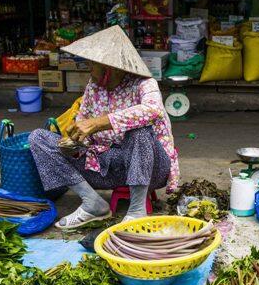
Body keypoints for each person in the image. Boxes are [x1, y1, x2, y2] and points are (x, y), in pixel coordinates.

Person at [29, 25, 179, 229]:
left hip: (150, 169)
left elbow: (153, 111)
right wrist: (73, 143)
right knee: (38, 138)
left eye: (93, 64)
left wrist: (97, 123)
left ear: (111, 67)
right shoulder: (93, 87)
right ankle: (92, 203)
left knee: (140, 130)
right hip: (104, 167)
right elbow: (83, 125)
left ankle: (137, 211)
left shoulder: (144, 83)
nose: (89, 69)